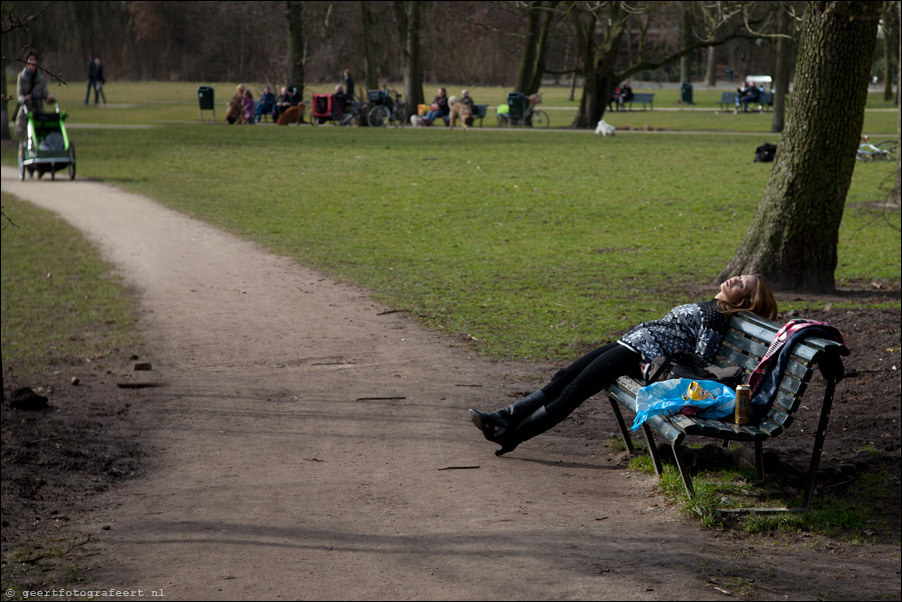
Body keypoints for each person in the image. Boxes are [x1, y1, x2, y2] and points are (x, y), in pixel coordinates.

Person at [468, 275, 778, 457]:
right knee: (563, 379)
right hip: (631, 344)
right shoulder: (712, 308)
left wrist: (652, 364)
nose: (735, 279)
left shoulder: (715, 317)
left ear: (746, 300)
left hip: (637, 353)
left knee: (571, 392)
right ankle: (504, 419)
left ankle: (511, 435)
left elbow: (699, 361)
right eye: (740, 275)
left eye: (743, 285)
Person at [15, 50, 55, 139]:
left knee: (40, 135)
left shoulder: (41, 78)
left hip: (39, 111)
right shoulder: (21, 77)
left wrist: (49, 98)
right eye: (30, 59)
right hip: (26, 111)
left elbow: (45, 93)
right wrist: (25, 99)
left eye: (34, 60)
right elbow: (19, 95)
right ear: (26, 62)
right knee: (26, 137)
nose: (32, 62)